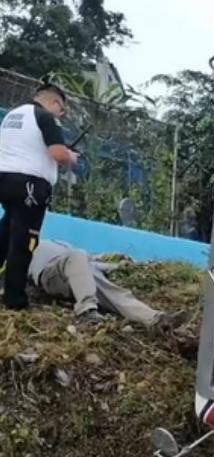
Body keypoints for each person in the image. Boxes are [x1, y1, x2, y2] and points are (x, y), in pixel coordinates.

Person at [0, 83, 78, 310]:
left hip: (5, 179)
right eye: (61, 109)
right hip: (29, 186)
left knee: (6, 231)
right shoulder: (45, 117)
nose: (60, 115)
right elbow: (57, 153)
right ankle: (15, 300)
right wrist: (70, 156)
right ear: (54, 103)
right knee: (24, 242)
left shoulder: (14, 115)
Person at [28, 239, 184, 328]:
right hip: (51, 272)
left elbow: (90, 262)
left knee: (116, 292)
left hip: (80, 272)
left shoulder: (64, 245)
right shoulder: (30, 244)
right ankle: (86, 310)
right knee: (78, 255)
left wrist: (118, 266)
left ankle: (154, 318)